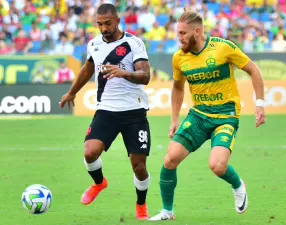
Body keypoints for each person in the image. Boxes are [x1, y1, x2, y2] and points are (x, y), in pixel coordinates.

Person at [149, 9, 266, 221]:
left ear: (198, 31)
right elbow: (177, 87)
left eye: (183, 33)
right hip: (199, 115)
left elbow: (253, 70)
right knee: (170, 159)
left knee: (217, 166)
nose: (179, 38)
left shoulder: (223, 47)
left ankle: (238, 185)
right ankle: (167, 211)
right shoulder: (179, 58)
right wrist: (174, 119)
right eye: (178, 33)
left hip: (225, 115)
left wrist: (260, 104)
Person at [59, 3, 151, 220]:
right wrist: (72, 92)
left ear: (117, 21)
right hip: (106, 110)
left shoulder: (134, 43)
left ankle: (141, 204)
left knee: (139, 167)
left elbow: (145, 76)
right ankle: (99, 183)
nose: (104, 28)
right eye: (100, 24)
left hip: (134, 112)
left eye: (108, 24)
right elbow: (88, 69)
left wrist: (124, 72)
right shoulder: (94, 44)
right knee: (89, 152)